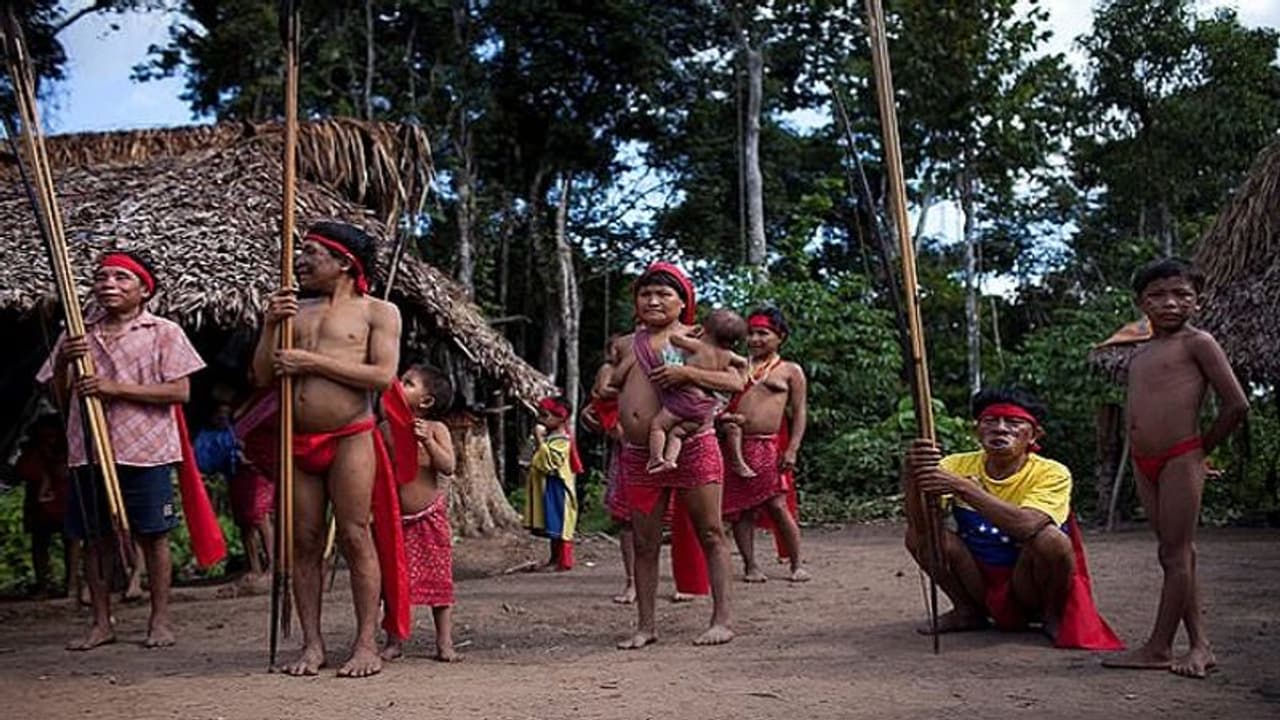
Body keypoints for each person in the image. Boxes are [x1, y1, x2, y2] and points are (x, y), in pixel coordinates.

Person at [36, 250, 218, 651]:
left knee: (154, 536)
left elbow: (180, 391)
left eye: (121, 278)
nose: (109, 285)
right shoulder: (78, 333)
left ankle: (160, 620)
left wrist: (115, 389)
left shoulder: (164, 331)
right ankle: (101, 622)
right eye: (102, 278)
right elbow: (61, 397)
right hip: (89, 451)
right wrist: (66, 363)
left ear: (143, 290)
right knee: (94, 539)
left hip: (147, 450)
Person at [252, 221, 405, 678]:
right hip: (295, 438)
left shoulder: (379, 312)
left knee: (355, 535)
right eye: (301, 251)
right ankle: (312, 644)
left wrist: (311, 361)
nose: (300, 259)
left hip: (350, 436)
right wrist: (269, 327)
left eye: (312, 252)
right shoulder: (294, 312)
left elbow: (382, 376)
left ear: (344, 263)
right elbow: (262, 375)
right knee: (304, 542)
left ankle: (364, 644)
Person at [1103, 258, 1249, 678]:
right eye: (1157, 296)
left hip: (1181, 456)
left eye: (1181, 295)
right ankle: (1200, 645)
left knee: (1175, 552)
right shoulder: (1142, 351)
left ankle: (1159, 647)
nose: (1170, 303)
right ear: (1141, 303)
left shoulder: (1198, 342)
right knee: (1175, 554)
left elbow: (1236, 404)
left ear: (1197, 303)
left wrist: (1200, 451)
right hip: (1145, 461)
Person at [904, 388, 1123, 651]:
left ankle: (1050, 615)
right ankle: (967, 611)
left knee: (1052, 540)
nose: (1000, 429)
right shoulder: (956, 465)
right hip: (978, 577)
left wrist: (965, 489)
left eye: (1013, 422)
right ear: (977, 431)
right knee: (918, 536)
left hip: (1028, 582)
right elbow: (921, 525)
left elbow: (1027, 525)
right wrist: (913, 476)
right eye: (991, 421)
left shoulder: (1052, 473)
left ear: (1035, 434)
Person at [614, 262, 744, 649]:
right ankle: (646, 626)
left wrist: (689, 375)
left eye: (663, 294)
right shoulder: (625, 343)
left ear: (683, 301)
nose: (653, 300)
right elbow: (613, 383)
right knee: (644, 541)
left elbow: (737, 380)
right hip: (639, 453)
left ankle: (722, 620)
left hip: (693, 444)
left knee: (711, 532)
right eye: (645, 293)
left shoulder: (697, 337)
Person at [721, 308, 809, 583]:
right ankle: (750, 566)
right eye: (751, 333)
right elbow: (717, 401)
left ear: (780, 337)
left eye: (763, 333)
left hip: (770, 448)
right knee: (741, 511)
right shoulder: (736, 367)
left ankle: (796, 564)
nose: (755, 339)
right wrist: (724, 418)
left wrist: (792, 448)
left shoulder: (790, 370)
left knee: (778, 505)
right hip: (736, 446)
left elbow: (799, 412)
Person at [380, 364, 458, 663]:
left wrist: (426, 440)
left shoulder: (437, 429)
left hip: (429, 518)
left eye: (408, 383)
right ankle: (394, 640)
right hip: (395, 521)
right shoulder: (385, 429)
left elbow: (448, 466)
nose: (399, 384)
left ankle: (444, 641)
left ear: (426, 402)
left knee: (439, 583)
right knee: (392, 583)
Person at [612, 309, 748, 474]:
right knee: (677, 433)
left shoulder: (698, 346)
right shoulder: (727, 356)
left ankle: (656, 458)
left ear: (704, 330)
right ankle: (670, 460)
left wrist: (687, 333)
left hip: (685, 401)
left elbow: (674, 339)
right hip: (703, 408)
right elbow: (742, 363)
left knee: (658, 427)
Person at [583, 334, 636, 603]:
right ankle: (632, 582)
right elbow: (601, 398)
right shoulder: (611, 371)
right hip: (626, 448)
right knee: (628, 521)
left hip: (653, 444)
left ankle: (684, 579)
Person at [16, 414, 76, 599]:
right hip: (40, 506)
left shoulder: (69, 450)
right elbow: (24, 470)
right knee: (40, 541)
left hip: (65, 500)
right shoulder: (33, 452)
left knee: (72, 541)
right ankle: (44, 583)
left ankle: (72, 584)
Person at [524, 396, 582, 571]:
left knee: (559, 525)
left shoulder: (562, 440)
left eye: (545, 415)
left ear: (560, 418)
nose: (541, 419)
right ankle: (553, 559)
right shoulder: (550, 437)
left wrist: (540, 441)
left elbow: (549, 462)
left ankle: (560, 561)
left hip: (558, 488)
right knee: (551, 525)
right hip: (548, 487)